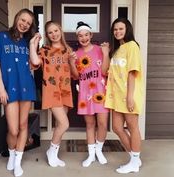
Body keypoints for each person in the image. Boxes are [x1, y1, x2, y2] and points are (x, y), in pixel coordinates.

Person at [0, 9, 37, 177]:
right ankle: (11, 152)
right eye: (22, 20)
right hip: (9, 88)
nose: (24, 24)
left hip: (26, 87)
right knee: (13, 129)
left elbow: (34, 64)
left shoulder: (28, 42)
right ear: (17, 19)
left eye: (28, 23)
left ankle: (17, 161)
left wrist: (33, 45)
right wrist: (0, 88)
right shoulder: (2, 37)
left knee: (23, 126)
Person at [29, 21, 74, 167]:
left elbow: (75, 74)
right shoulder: (45, 50)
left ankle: (54, 154)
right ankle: (51, 152)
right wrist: (33, 44)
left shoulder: (68, 50)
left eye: (56, 31)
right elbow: (35, 61)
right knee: (64, 124)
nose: (54, 34)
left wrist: (73, 61)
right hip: (51, 90)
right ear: (47, 35)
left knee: (59, 124)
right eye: (50, 32)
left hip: (65, 90)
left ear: (60, 31)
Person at [103, 18, 144, 174]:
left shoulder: (132, 46)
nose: (117, 32)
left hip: (128, 94)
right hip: (115, 95)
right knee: (117, 128)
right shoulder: (117, 49)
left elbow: (132, 72)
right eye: (115, 29)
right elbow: (106, 71)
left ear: (127, 29)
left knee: (133, 127)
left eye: (121, 29)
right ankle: (135, 158)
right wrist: (106, 53)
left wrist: (130, 96)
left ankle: (134, 161)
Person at [69, 21, 109, 167]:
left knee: (103, 123)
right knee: (90, 124)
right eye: (80, 36)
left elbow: (105, 71)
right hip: (85, 93)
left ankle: (99, 150)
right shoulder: (77, 54)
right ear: (77, 37)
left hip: (100, 92)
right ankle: (91, 155)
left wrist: (105, 54)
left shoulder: (100, 50)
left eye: (86, 34)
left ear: (91, 35)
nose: (84, 38)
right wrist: (72, 63)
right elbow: (75, 76)